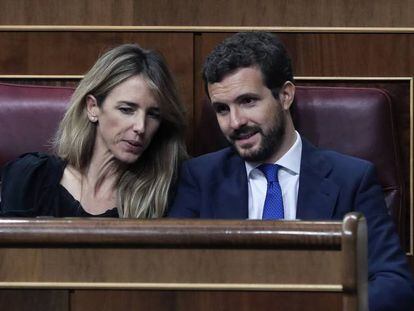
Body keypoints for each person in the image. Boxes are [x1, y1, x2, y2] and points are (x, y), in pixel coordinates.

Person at [168, 32, 414, 310]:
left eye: (248, 101)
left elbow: (394, 284)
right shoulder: (199, 178)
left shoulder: (352, 180)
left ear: (285, 95)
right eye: (222, 109)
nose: (235, 122)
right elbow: (172, 280)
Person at [1, 43, 187, 218]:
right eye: (126, 110)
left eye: (153, 114)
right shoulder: (30, 177)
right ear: (93, 108)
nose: (141, 127)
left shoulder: (167, 192)